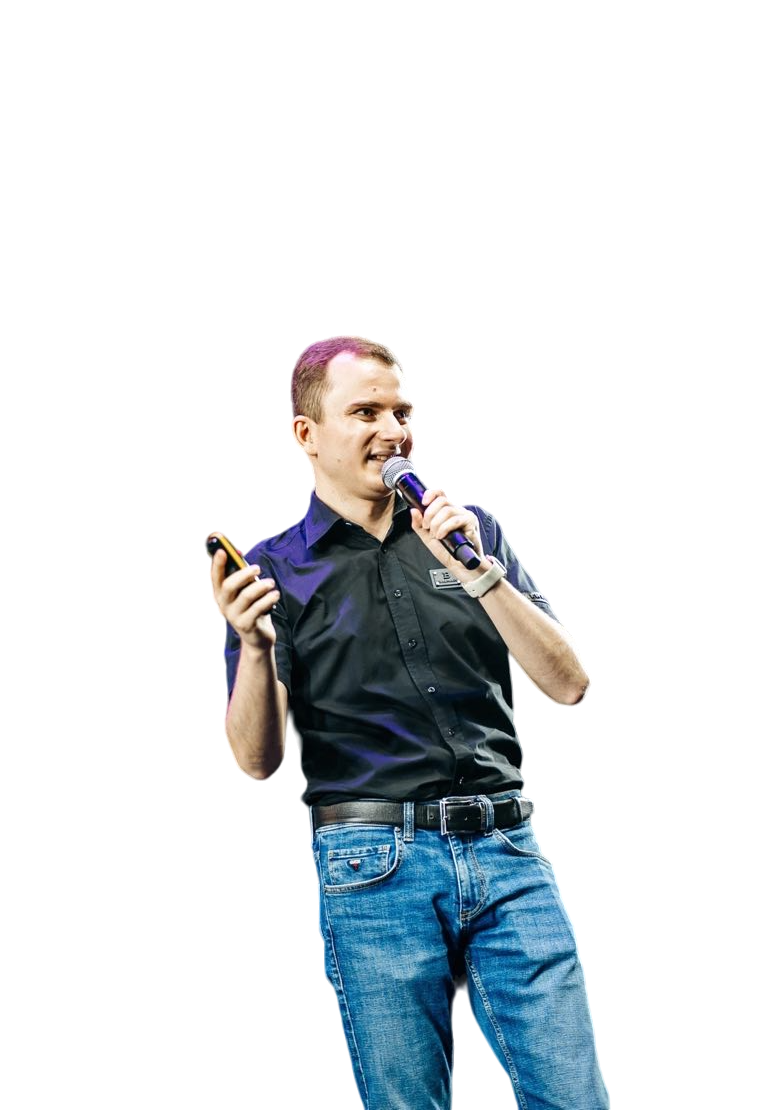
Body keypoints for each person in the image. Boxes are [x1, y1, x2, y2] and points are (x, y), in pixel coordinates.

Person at [209, 334, 610, 1110]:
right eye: (366, 412)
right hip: (372, 866)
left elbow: (569, 685)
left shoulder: (471, 533)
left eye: (403, 412)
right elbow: (256, 761)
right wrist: (255, 648)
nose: (394, 432)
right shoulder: (273, 569)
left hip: (508, 851)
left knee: (574, 1098)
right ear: (306, 434)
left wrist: (477, 572)